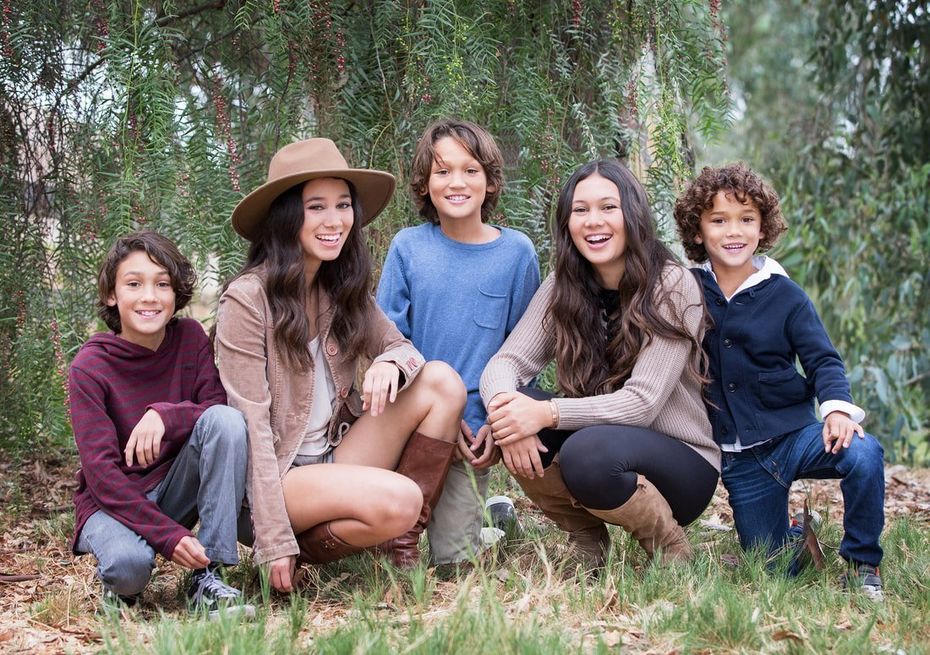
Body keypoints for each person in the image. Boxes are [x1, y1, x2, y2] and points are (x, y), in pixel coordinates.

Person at [214, 138, 466, 591]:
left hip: (336, 452)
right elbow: (250, 426)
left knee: (442, 383)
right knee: (403, 499)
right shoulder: (248, 300)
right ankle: (296, 545)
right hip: (279, 478)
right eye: (316, 207)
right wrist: (273, 540)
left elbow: (406, 349)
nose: (335, 221)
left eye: (343, 205)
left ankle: (400, 543)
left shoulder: (338, 287)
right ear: (288, 215)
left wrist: (391, 363)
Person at [480, 159, 720, 568]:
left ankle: (669, 547)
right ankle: (588, 541)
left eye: (609, 207)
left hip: (682, 463)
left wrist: (545, 413)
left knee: (583, 450)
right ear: (567, 223)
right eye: (581, 210)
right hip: (599, 445)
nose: (594, 221)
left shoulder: (672, 285)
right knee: (515, 412)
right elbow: (506, 361)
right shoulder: (564, 286)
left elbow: (642, 404)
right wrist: (508, 414)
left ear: (633, 214)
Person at [673, 162, 885, 600]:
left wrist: (838, 411)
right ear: (697, 232)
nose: (734, 231)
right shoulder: (684, 288)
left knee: (863, 453)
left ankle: (863, 562)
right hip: (740, 458)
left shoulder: (785, 294)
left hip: (794, 434)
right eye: (719, 220)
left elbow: (823, 360)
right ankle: (793, 536)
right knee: (771, 572)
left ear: (762, 227)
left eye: (746, 219)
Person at [376, 119, 540, 567]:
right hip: (414, 424)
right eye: (442, 171)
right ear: (425, 185)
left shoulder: (517, 253)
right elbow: (387, 341)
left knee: (451, 562)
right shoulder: (408, 248)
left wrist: (495, 421)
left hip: (475, 430)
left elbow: (525, 352)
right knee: (385, 549)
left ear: (489, 182)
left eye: (470, 170)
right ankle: (481, 519)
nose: (457, 183)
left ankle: (491, 522)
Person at [69, 231, 252, 617]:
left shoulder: (189, 337)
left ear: (176, 294)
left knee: (227, 421)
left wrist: (166, 415)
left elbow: (216, 409)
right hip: (112, 502)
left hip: (173, 489)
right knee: (128, 567)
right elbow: (101, 474)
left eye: (162, 284)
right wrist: (168, 538)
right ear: (111, 295)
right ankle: (123, 585)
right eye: (134, 284)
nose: (150, 296)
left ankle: (210, 578)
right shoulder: (90, 366)